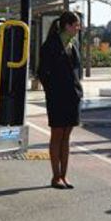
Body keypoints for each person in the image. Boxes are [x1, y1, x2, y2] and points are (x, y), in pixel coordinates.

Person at [37, 12, 83, 189]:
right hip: (57, 97)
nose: (78, 28)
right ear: (67, 26)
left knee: (67, 136)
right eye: (76, 25)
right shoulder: (50, 45)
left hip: (73, 95)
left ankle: (64, 175)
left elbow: (76, 70)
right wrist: (52, 91)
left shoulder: (74, 44)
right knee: (57, 135)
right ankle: (55, 176)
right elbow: (42, 72)